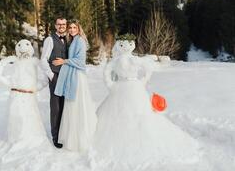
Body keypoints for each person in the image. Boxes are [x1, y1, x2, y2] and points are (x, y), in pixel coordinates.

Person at [90, 40, 201, 168]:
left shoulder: (133, 59)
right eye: (123, 44)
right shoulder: (119, 60)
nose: (126, 47)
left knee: (141, 115)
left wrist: (141, 81)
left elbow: (147, 69)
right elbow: (107, 72)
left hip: (131, 88)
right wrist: (112, 84)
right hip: (123, 88)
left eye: (128, 44)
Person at [52, 19, 97, 152]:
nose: (71, 29)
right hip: (73, 75)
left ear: (78, 29)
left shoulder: (80, 41)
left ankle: (79, 136)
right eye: (70, 27)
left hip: (77, 77)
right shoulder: (73, 40)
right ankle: (71, 135)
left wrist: (64, 61)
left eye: (74, 27)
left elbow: (80, 62)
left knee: (76, 105)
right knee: (71, 106)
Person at [40, 17, 68, 148]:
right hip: (55, 76)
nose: (61, 26)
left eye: (64, 24)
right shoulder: (50, 39)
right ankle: (55, 137)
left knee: (65, 106)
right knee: (56, 107)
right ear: (55, 26)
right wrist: (51, 75)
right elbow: (43, 60)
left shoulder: (68, 39)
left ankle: (64, 133)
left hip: (67, 76)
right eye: (59, 24)